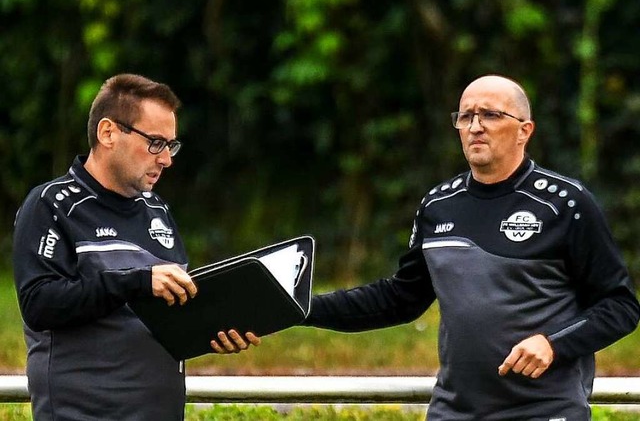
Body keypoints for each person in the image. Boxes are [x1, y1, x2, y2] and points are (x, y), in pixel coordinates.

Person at [303, 74, 640, 420]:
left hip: (545, 410)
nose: (476, 126)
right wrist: (299, 307)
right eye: (466, 116)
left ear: (525, 130)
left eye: (491, 115)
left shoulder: (565, 203)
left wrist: (553, 344)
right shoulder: (438, 205)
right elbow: (399, 300)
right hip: (455, 412)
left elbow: (620, 307)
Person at [12, 73, 260, 421]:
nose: (166, 159)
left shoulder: (157, 210)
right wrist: (137, 282)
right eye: (155, 142)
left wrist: (215, 328)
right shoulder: (50, 203)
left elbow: (170, 309)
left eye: (171, 146)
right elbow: (39, 304)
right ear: (108, 133)